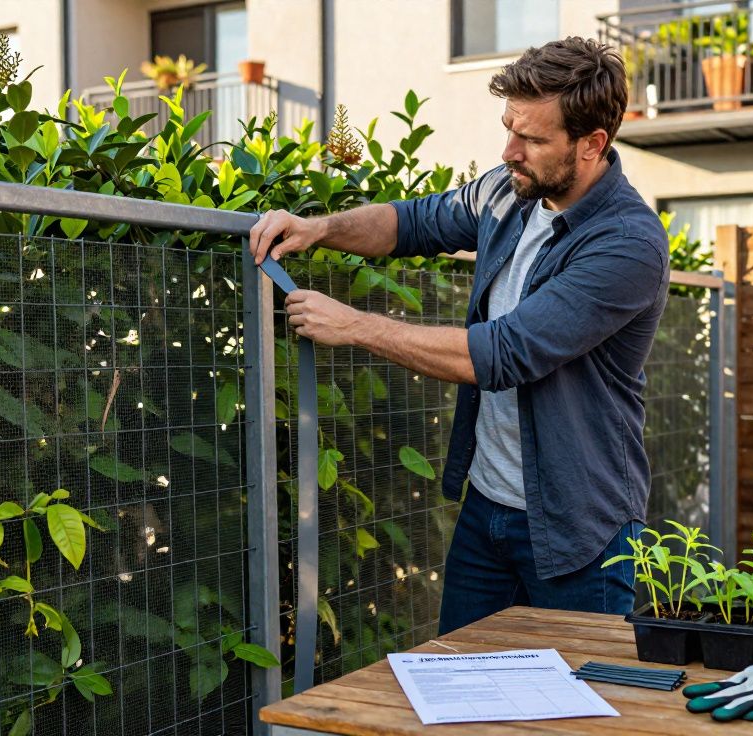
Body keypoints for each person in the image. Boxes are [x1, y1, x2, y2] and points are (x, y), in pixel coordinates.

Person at [247, 36, 668, 635]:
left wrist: (355, 325)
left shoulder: (627, 243)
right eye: (508, 129)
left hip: (580, 531)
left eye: (533, 139)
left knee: (576, 712)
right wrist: (318, 228)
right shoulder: (510, 191)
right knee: (464, 697)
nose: (510, 150)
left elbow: (506, 351)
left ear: (592, 145)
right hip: (488, 513)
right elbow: (411, 222)